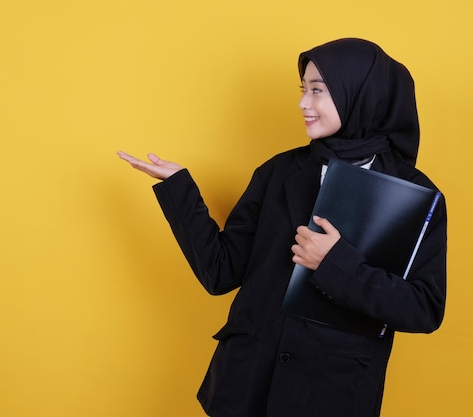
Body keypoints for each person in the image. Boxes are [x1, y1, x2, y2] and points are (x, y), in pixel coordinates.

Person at [117, 38, 447, 417]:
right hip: (244, 388)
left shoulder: (415, 194)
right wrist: (179, 189)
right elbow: (220, 272)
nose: (303, 103)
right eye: (303, 90)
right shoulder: (279, 171)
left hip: (333, 396)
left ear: (359, 93)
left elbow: (423, 309)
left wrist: (334, 264)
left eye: (318, 91)